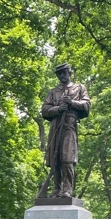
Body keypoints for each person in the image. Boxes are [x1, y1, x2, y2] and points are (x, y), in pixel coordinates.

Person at [39, 62, 90, 198]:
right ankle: (56, 189)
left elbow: (86, 105)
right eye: (59, 74)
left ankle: (67, 190)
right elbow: (44, 109)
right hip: (56, 127)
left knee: (67, 158)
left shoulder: (79, 88)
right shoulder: (53, 92)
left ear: (69, 72)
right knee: (55, 159)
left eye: (64, 72)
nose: (62, 76)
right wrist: (58, 109)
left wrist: (72, 103)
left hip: (69, 126)